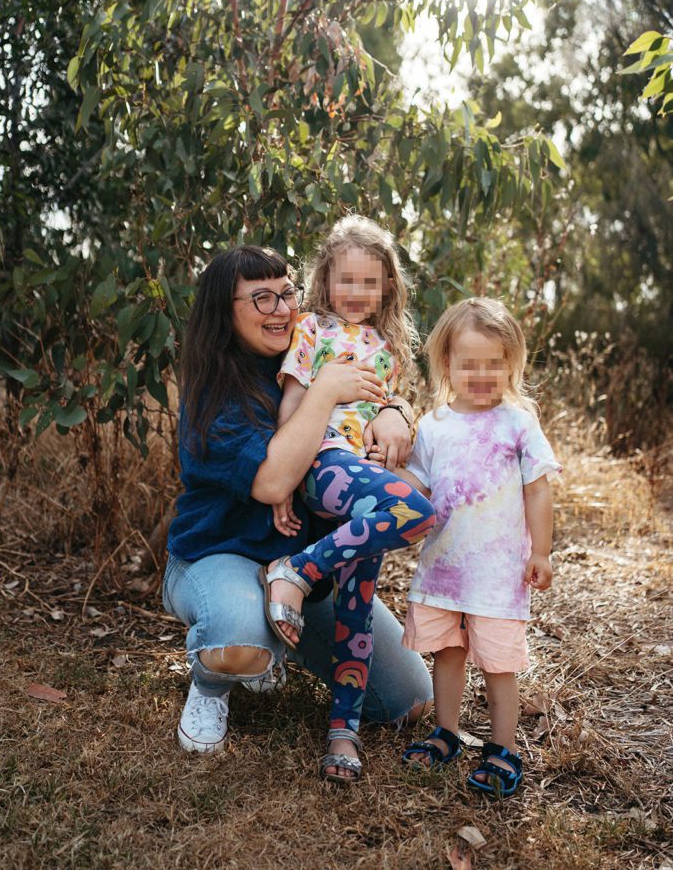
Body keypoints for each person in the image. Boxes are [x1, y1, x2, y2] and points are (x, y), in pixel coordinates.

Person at [162, 244, 433, 775]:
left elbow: (378, 384)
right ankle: (213, 683)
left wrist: (398, 412)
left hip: (310, 568)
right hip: (223, 554)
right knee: (241, 642)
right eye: (260, 298)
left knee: (409, 699)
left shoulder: (314, 335)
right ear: (224, 309)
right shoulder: (214, 390)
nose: (281, 308)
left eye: (286, 292)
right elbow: (272, 482)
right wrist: (327, 388)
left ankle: (280, 633)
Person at [259, 216, 436, 783]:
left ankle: (343, 732)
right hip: (323, 463)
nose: (357, 293)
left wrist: (397, 418)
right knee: (416, 511)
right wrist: (284, 482)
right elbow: (291, 408)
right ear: (325, 279)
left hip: (364, 476)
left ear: (387, 288)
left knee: (357, 608)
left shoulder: (388, 348)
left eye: (369, 283)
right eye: (346, 280)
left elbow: (388, 411)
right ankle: (297, 569)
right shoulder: (310, 329)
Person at [399, 297, 561, 798]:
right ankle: (445, 732)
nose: (483, 374)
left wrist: (541, 552)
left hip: (497, 574)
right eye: (471, 363)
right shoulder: (433, 427)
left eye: (496, 363)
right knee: (447, 654)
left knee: (497, 663)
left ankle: (502, 748)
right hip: (444, 570)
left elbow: (538, 488)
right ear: (447, 363)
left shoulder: (518, 424)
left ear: (511, 364)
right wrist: (383, 475)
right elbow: (416, 486)